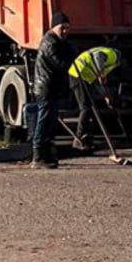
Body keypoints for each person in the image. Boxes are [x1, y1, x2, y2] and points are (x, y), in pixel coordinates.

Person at [31, 12, 75, 169]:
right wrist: (72, 59)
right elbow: (60, 63)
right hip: (45, 88)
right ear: (53, 27)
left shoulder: (58, 42)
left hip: (51, 87)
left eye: (67, 28)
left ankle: (46, 154)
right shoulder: (49, 42)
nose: (65, 31)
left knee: (50, 122)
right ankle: (38, 156)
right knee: (44, 121)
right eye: (62, 28)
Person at [67, 46, 124, 148]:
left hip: (82, 75)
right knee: (85, 108)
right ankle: (78, 139)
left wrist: (106, 96)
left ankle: (86, 138)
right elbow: (98, 56)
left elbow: (98, 84)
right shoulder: (113, 56)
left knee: (90, 107)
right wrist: (101, 73)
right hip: (79, 73)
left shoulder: (105, 54)